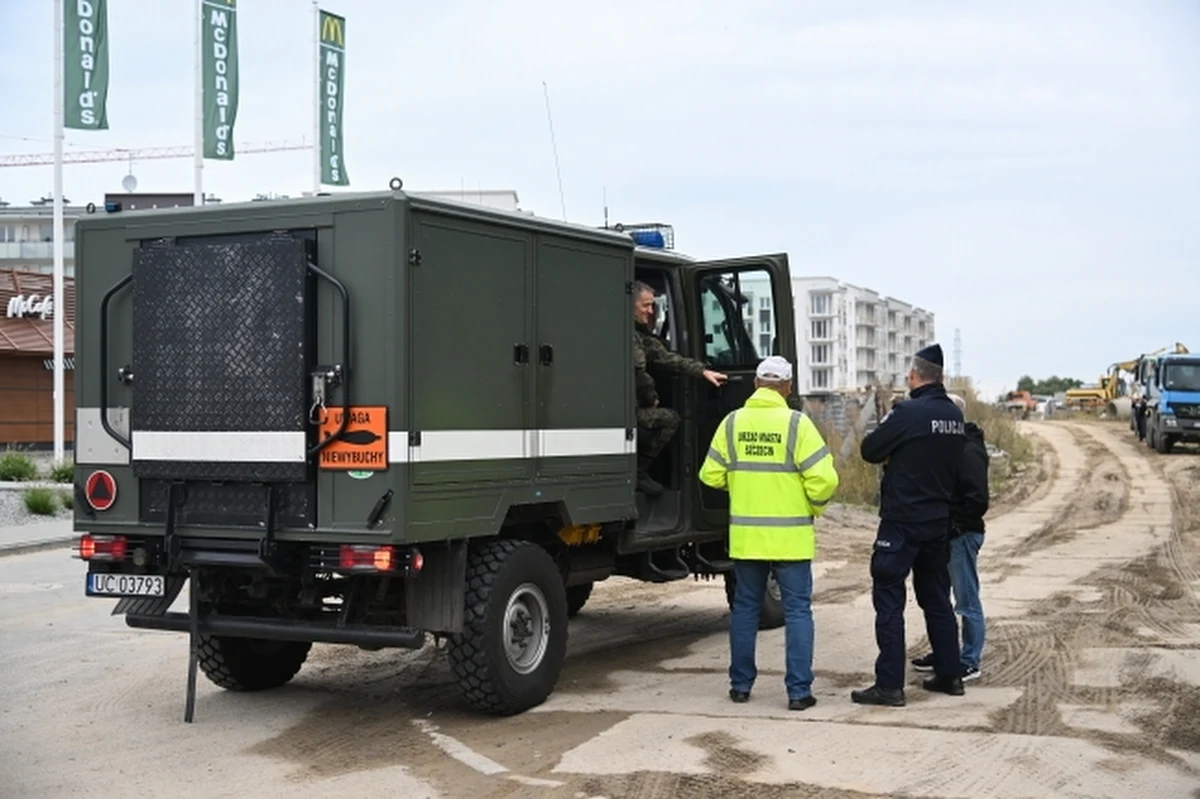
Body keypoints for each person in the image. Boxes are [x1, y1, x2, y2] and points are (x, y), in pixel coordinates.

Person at [699, 355, 839, 710]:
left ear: (756, 384)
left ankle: (741, 687)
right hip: (790, 540)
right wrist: (813, 507)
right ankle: (798, 693)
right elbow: (824, 481)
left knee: (745, 609)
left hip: (747, 539)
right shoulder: (797, 425)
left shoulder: (732, 424)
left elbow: (710, 476)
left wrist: (744, 488)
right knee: (797, 612)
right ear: (788, 387)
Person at [850, 343, 966, 707]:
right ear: (941, 377)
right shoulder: (954, 415)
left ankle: (889, 686)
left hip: (902, 522)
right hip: (938, 521)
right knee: (937, 599)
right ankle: (950, 674)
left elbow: (870, 450)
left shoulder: (908, 412)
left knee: (889, 599)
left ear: (914, 376)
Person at [912, 393, 989, 682]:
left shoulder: (968, 449)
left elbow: (978, 498)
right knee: (940, 599)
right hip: (944, 533)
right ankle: (944, 652)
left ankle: (970, 660)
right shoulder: (952, 446)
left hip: (961, 535)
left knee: (966, 600)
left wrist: (956, 525)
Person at [633, 281, 727, 495]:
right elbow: (640, 375)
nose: (650, 312)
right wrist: (651, 399)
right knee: (671, 419)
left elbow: (666, 358)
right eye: (645, 306)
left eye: (652, 306)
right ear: (630, 304)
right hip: (625, 412)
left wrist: (702, 371)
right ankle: (638, 473)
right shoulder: (629, 335)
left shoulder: (638, 334)